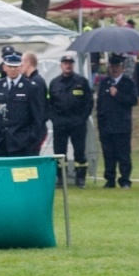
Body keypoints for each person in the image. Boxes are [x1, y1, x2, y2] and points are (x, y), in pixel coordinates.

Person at [48, 54, 94, 188]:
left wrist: (82, 118)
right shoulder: (54, 82)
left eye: (70, 63)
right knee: (59, 152)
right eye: (65, 63)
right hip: (60, 123)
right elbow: (49, 103)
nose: (68, 65)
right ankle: (61, 178)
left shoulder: (81, 82)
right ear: (61, 65)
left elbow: (89, 102)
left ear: (73, 65)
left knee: (79, 151)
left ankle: (80, 178)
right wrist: (54, 119)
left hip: (77, 123)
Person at [0, 52, 43, 157]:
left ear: (20, 67)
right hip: (0, 140)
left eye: (15, 67)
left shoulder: (30, 87)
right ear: (4, 67)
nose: (13, 70)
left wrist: (31, 137)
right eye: (10, 66)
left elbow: (37, 116)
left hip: (21, 141)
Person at [96, 54, 138, 189]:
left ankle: (125, 179)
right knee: (108, 154)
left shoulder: (128, 82)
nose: (114, 69)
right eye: (112, 66)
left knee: (123, 154)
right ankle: (110, 179)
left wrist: (118, 95)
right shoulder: (105, 82)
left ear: (122, 67)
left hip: (121, 125)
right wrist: (100, 121)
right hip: (106, 125)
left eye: (117, 66)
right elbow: (100, 104)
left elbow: (133, 100)